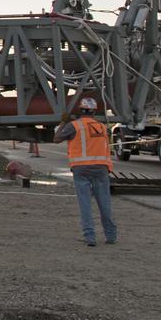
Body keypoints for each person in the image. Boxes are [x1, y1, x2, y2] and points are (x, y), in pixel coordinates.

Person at [53, 96, 117, 247]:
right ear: (94, 112)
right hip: (101, 168)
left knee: (85, 204)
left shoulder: (74, 125)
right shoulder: (102, 127)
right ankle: (111, 236)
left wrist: (63, 121)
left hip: (81, 168)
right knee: (104, 203)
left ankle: (90, 238)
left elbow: (56, 139)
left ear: (80, 110)